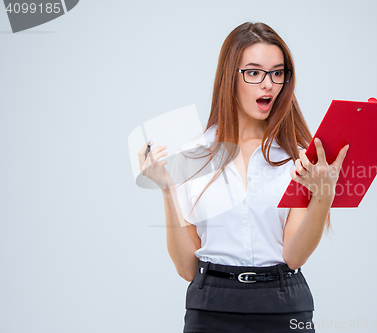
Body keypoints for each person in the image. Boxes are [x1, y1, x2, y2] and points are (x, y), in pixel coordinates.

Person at [137, 22, 348, 333]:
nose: (268, 84)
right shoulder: (193, 155)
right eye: (254, 72)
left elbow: (293, 256)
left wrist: (323, 196)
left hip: (283, 306)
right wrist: (167, 189)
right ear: (229, 77)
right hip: (211, 308)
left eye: (277, 73)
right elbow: (186, 268)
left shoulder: (299, 157)